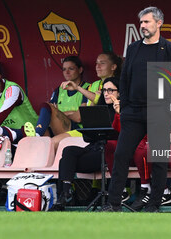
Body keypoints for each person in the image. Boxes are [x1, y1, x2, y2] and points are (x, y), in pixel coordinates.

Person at [104, 6, 171, 212]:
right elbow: (125, 78)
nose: (142, 26)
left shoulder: (170, 49)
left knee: (157, 159)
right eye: (141, 23)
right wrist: (125, 105)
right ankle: (114, 204)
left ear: (159, 24)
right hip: (133, 112)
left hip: (159, 112)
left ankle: (155, 204)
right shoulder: (133, 48)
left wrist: (169, 107)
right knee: (122, 155)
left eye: (147, 22)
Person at [52, 77, 123, 210]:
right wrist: (91, 130)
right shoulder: (98, 109)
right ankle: (66, 193)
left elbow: (121, 134)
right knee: (68, 151)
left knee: (65, 162)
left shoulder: (123, 111)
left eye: (110, 90)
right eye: (104, 90)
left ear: (119, 93)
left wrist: (118, 111)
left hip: (109, 153)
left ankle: (63, 197)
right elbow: (87, 139)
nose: (106, 93)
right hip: (94, 148)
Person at [49, 52, 122, 151]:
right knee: (52, 143)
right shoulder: (93, 85)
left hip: (110, 132)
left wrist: (78, 88)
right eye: (96, 63)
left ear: (113, 67)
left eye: (102, 63)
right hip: (90, 131)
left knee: (56, 144)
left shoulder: (121, 83)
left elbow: (82, 115)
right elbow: (87, 112)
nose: (98, 66)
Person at [24, 56, 90, 141]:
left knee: (46, 106)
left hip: (77, 130)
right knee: (41, 133)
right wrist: (70, 113)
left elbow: (79, 117)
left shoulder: (87, 88)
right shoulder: (59, 90)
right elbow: (50, 113)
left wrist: (58, 113)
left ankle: (37, 134)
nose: (67, 72)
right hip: (58, 128)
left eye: (71, 68)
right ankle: (35, 136)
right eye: (64, 69)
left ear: (80, 70)